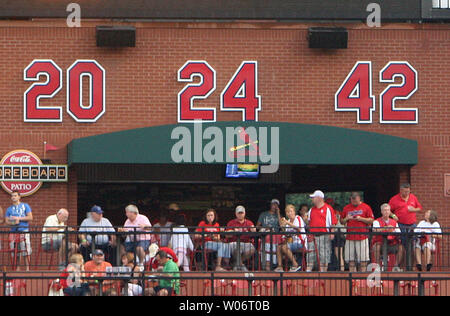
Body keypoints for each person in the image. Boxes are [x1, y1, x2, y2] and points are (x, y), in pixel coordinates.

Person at [388, 183, 423, 269]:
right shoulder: (394, 199)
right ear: (401, 190)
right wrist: (393, 216)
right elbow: (388, 210)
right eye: (405, 191)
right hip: (400, 225)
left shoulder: (413, 197)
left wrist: (413, 209)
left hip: (412, 225)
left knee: (412, 245)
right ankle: (401, 267)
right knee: (403, 245)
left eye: (408, 191)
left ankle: (412, 267)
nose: (407, 193)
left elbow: (420, 208)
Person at [341, 192, 374, 272]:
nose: (353, 202)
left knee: (363, 260)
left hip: (362, 236)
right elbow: (342, 221)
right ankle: (352, 277)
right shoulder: (346, 208)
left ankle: (362, 276)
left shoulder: (366, 207)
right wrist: (347, 218)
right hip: (350, 237)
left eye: (355, 200)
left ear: (359, 198)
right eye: (352, 200)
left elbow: (371, 220)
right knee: (350, 259)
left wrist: (361, 219)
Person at [306, 190, 337, 272]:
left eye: (313, 197)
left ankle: (323, 275)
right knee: (310, 256)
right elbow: (309, 222)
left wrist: (332, 233)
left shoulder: (328, 209)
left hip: (324, 236)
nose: (312, 199)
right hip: (312, 236)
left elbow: (333, 223)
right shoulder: (311, 210)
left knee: (324, 257)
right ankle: (308, 274)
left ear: (319, 198)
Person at [5, 191, 33, 271]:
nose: (13, 197)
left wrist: (19, 219)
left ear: (19, 197)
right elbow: (7, 221)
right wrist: (14, 222)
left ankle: (27, 268)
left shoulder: (25, 206)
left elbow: (30, 217)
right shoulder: (9, 209)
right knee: (15, 250)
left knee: (26, 249)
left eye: (15, 195)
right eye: (12, 196)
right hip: (13, 231)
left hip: (24, 230)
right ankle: (17, 268)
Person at [274, 204, 306, 272]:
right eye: (288, 212)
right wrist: (283, 227)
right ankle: (280, 267)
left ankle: (295, 264)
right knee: (279, 247)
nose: (289, 213)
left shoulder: (298, 218)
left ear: (294, 212)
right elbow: (286, 235)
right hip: (291, 243)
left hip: (300, 242)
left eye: (291, 211)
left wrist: (287, 223)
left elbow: (298, 228)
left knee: (284, 247)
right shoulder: (288, 221)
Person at [226, 205, 256, 272]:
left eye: (241, 213)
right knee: (237, 248)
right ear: (236, 214)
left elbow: (254, 232)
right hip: (233, 243)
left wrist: (252, 229)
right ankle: (241, 265)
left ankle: (237, 264)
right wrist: (233, 231)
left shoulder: (249, 222)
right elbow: (227, 235)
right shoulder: (231, 223)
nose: (240, 215)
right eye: (239, 213)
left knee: (252, 249)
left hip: (246, 243)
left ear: (244, 213)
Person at [372, 204, 401, 271]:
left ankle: (395, 266)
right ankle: (378, 266)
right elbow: (375, 230)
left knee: (401, 248)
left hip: (391, 244)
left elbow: (398, 232)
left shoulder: (394, 222)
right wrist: (385, 228)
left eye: (388, 210)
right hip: (381, 243)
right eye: (385, 210)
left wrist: (393, 230)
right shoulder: (376, 221)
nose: (386, 212)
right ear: (381, 212)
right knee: (376, 247)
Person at [256, 199, 282, 271]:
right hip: (265, 235)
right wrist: (265, 228)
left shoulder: (278, 216)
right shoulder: (263, 214)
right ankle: (267, 265)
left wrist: (278, 213)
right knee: (266, 243)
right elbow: (257, 226)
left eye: (276, 205)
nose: (275, 206)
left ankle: (273, 265)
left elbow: (281, 226)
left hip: (275, 237)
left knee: (275, 244)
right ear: (270, 205)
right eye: (273, 204)